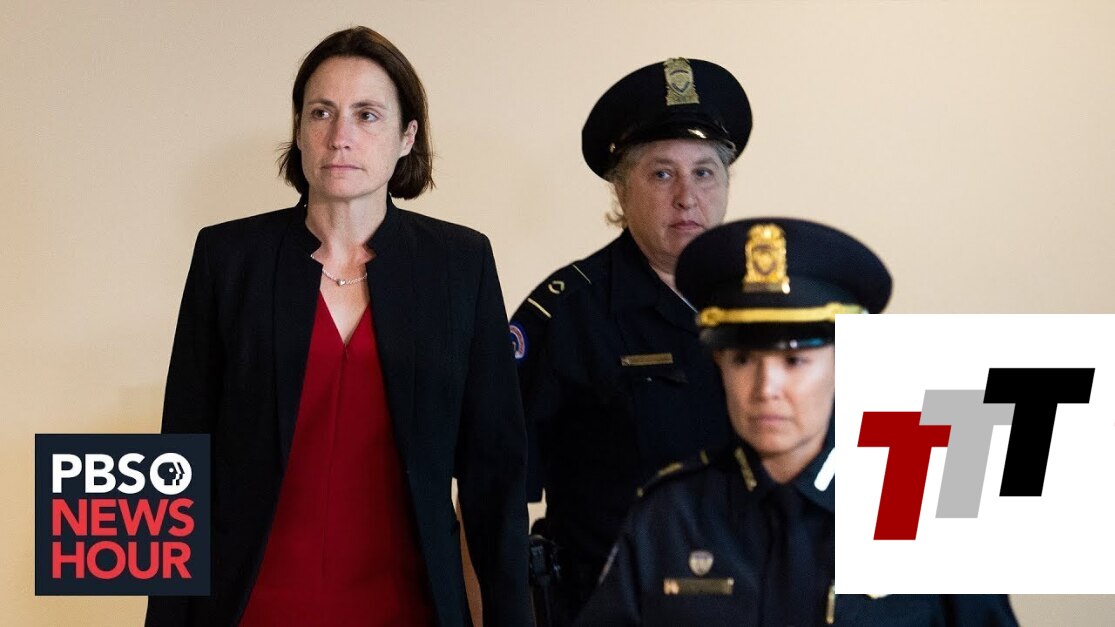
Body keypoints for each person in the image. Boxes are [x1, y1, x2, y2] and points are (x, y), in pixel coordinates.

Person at [145, 26, 530, 627]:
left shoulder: (461, 263)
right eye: (321, 112)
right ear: (299, 131)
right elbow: (178, 456)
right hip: (249, 608)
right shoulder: (228, 257)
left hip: (408, 609)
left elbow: (495, 474)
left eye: (367, 115)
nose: (340, 135)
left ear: (407, 138)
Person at [575, 217, 1019, 625]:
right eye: (743, 359)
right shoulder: (671, 516)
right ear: (718, 365)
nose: (765, 388)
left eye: (794, 361)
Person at [510, 58, 752, 623]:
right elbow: (493, 494)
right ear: (621, 189)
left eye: (705, 172)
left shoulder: (769, 309)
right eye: (662, 174)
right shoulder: (565, 313)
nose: (687, 197)